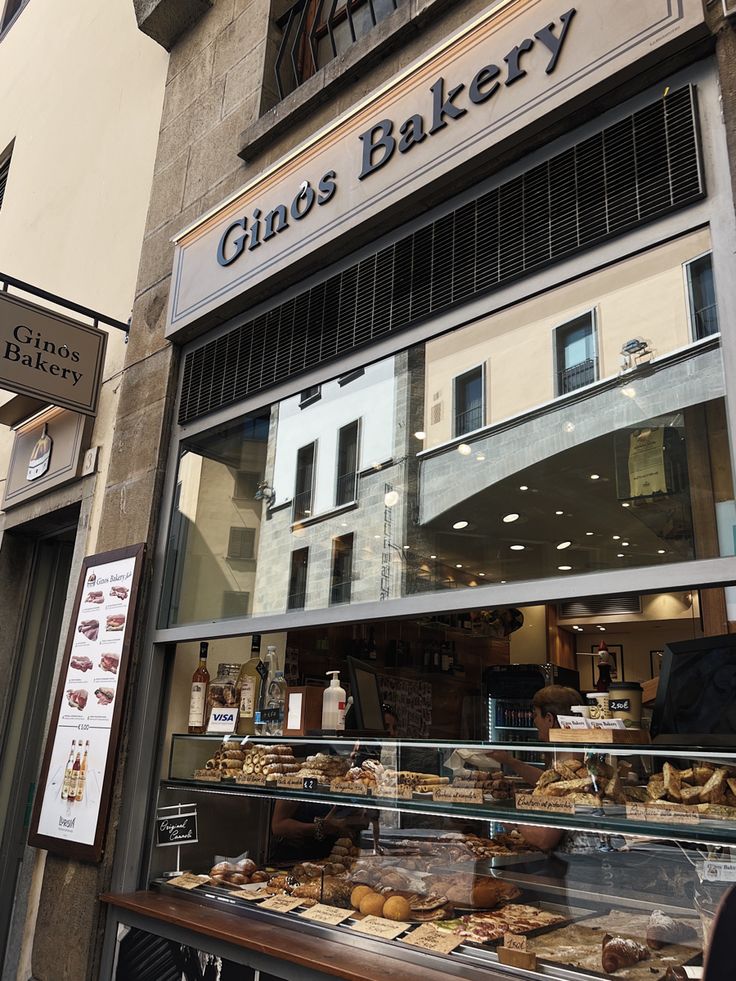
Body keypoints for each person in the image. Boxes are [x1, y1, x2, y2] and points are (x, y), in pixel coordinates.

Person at [489, 684, 584, 850]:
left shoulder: (571, 763)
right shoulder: (570, 755)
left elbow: (544, 840)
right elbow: (547, 781)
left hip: (574, 862)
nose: (534, 722)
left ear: (549, 719)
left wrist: (516, 821)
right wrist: (511, 761)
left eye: (535, 716)